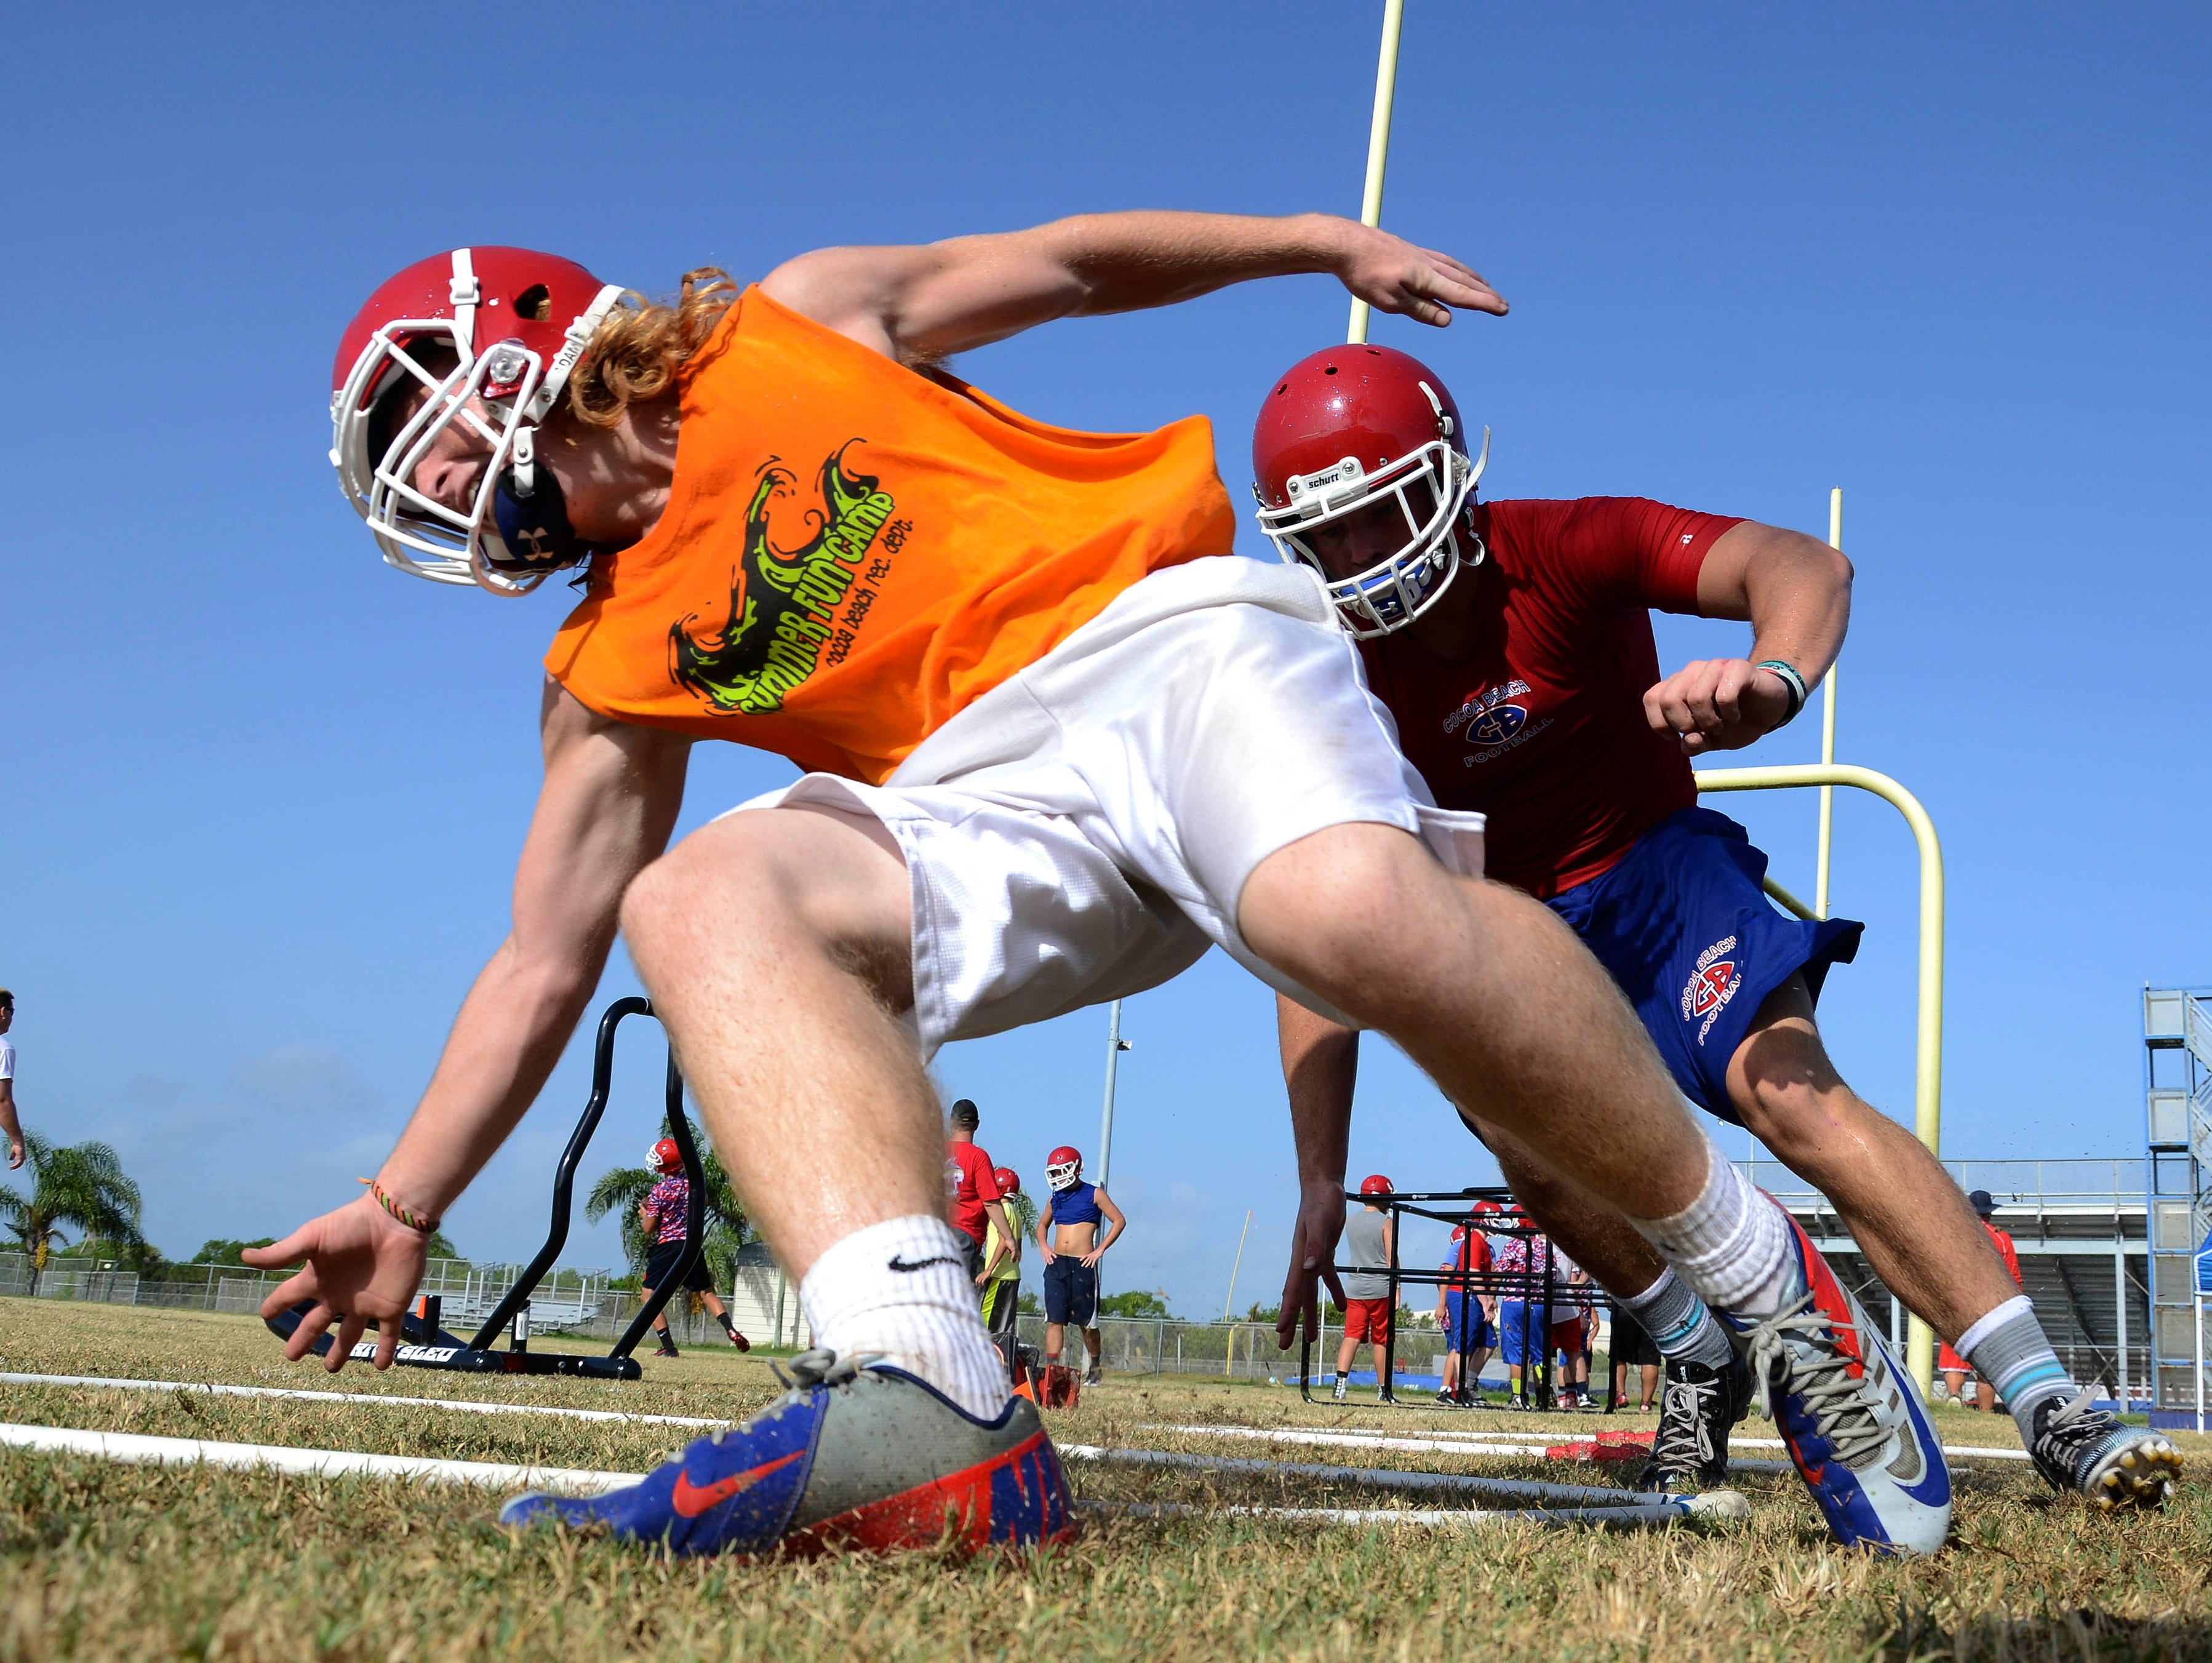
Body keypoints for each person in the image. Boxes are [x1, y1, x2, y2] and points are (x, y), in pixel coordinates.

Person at [258, 213, 1946, 1563]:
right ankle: (924, 1382)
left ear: (527, 332)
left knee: (1341, 916)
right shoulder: (602, 659)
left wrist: (1309, 243)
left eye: (421, 406)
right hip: (980, 800)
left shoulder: (786, 323)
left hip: (1165, 645)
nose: (422, 467)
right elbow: (541, 956)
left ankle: (1767, 1286)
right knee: (694, 897)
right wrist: (402, 1203)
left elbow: (1073, 266)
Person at [1258, 343, 2176, 1513]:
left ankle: (2050, 1397)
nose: (1355, 560)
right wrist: (1321, 1174)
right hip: (1517, 930)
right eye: (1321, 536)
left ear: (1444, 479)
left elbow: (1800, 562)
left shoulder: (1568, 543)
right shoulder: (1326, 671)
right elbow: (1314, 918)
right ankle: (1696, 1347)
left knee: (1788, 1089)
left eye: (1374, 517)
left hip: (1656, 873)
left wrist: (1774, 675)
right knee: (1526, 1152)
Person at [637, 1138, 749, 1357]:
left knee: (648, 1295)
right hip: (691, 1246)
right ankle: (731, 1329)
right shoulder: (694, 1185)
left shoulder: (659, 1191)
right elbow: (699, 1202)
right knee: (706, 1292)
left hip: (668, 1245)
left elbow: (649, 1228)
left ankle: (668, 1347)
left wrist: (644, 1214)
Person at [1037, 1146, 1124, 1386]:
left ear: (1076, 1169)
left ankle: (1095, 1366)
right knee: (1055, 1320)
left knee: (1087, 1323)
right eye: (1054, 1172)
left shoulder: (1094, 1194)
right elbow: (1042, 1225)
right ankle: (1052, 1373)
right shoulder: (1055, 1198)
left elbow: (1119, 1220)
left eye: (1062, 1171)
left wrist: (1100, 1250)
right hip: (1057, 1264)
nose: (1058, 1177)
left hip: (1083, 1264)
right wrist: (1044, 1247)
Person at [1940, 1190, 2024, 1412]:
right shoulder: (2001, 1238)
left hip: (1956, 1301)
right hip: (1990, 1305)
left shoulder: (1953, 1235)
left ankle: (1954, 1398)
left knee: (1954, 1354)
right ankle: (1985, 1412)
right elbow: (2014, 1275)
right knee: (1989, 1362)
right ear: (1989, 1213)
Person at [1492, 1220, 1579, 1409]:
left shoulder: (1513, 1245)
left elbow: (1500, 1270)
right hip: (1539, 1303)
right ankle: (1545, 1391)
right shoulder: (1545, 1247)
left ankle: (1518, 1394)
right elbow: (1553, 1275)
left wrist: (1491, 1295)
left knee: (1517, 1351)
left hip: (1515, 1302)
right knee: (1539, 1352)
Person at [1332, 1174, 1399, 1402]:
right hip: (1380, 1287)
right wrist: (1397, 1288)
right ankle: (1383, 1389)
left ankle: (1339, 1385)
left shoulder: (1350, 1220)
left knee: (1351, 1336)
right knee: (1381, 1339)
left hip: (1355, 1287)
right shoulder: (1386, 1222)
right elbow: (1392, 1258)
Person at [944, 1099, 1013, 1290]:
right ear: (977, 1125)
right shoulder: (978, 1157)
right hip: (964, 1236)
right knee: (956, 1296)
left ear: (951, 1122)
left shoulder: (937, 1151)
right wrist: (1008, 1238)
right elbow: (991, 1202)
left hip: (935, 1230)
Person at [1434, 1214, 1496, 1406]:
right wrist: (1442, 1303)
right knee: (1460, 1345)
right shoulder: (1465, 1243)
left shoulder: (1485, 1245)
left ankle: (1466, 1385)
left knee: (1484, 1342)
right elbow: (1447, 1274)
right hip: (1465, 1296)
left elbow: (1493, 1273)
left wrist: (1490, 1298)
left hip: (1474, 1297)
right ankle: (1450, 1388)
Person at [979, 1165, 1033, 1368]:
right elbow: (1018, 1248)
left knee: (986, 1326)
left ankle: (985, 1367)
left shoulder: (1001, 1211)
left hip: (999, 1276)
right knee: (1004, 1328)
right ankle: (1004, 1368)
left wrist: (989, 1270)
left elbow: (1005, 1240)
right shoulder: (1016, 1212)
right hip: (1012, 1275)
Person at [1608, 1296, 1663, 1413]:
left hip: (1624, 1306)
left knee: (1618, 1355)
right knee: (1650, 1359)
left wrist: (1609, 1301)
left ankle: (1620, 1395)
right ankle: (1646, 1403)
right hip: (1652, 1307)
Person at [0, 991, 22, 1170]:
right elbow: (2, 1101)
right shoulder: (3, 1050)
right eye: (11, 1011)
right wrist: (17, 1141)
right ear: (2, 1012)